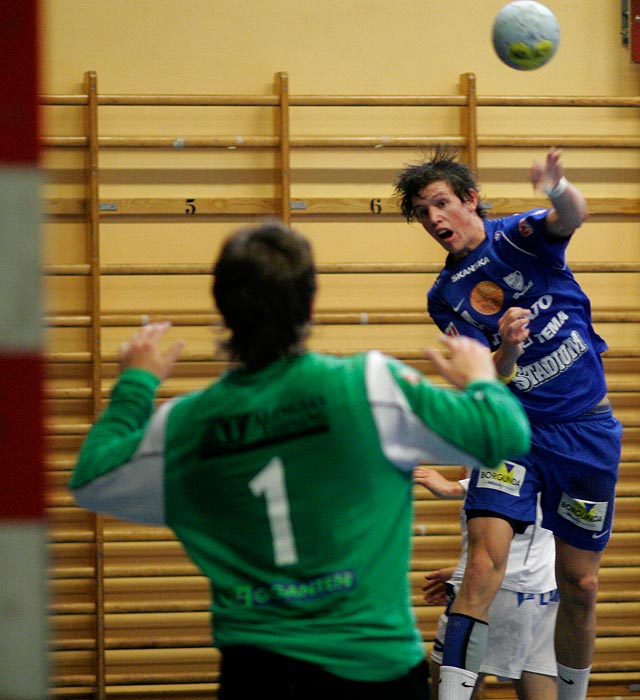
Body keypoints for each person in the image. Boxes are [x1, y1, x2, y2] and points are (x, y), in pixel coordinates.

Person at [69, 220, 530, 700]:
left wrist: (135, 385)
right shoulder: (368, 385)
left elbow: (92, 479)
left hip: (256, 672)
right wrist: (480, 375)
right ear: (310, 304)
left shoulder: (187, 424)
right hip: (372, 668)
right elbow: (506, 434)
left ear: (224, 310)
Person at [394, 146, 623, 700]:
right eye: (423, 213)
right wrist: (509, 348)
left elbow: (571, 215)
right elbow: (488, 378)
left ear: (469, 199)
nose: (434, 220)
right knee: (479, 571)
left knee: (582, 585)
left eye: (441, 204)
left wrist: (555, 184)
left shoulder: (516, 237)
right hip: (514, 434)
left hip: (585, 429)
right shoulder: (444, 296)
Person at [414, 466, 558, 700]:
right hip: (541, 592)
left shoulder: (508, 447)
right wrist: (460, 570)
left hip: (489, 591)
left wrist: (456, 487)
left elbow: (519, 478)